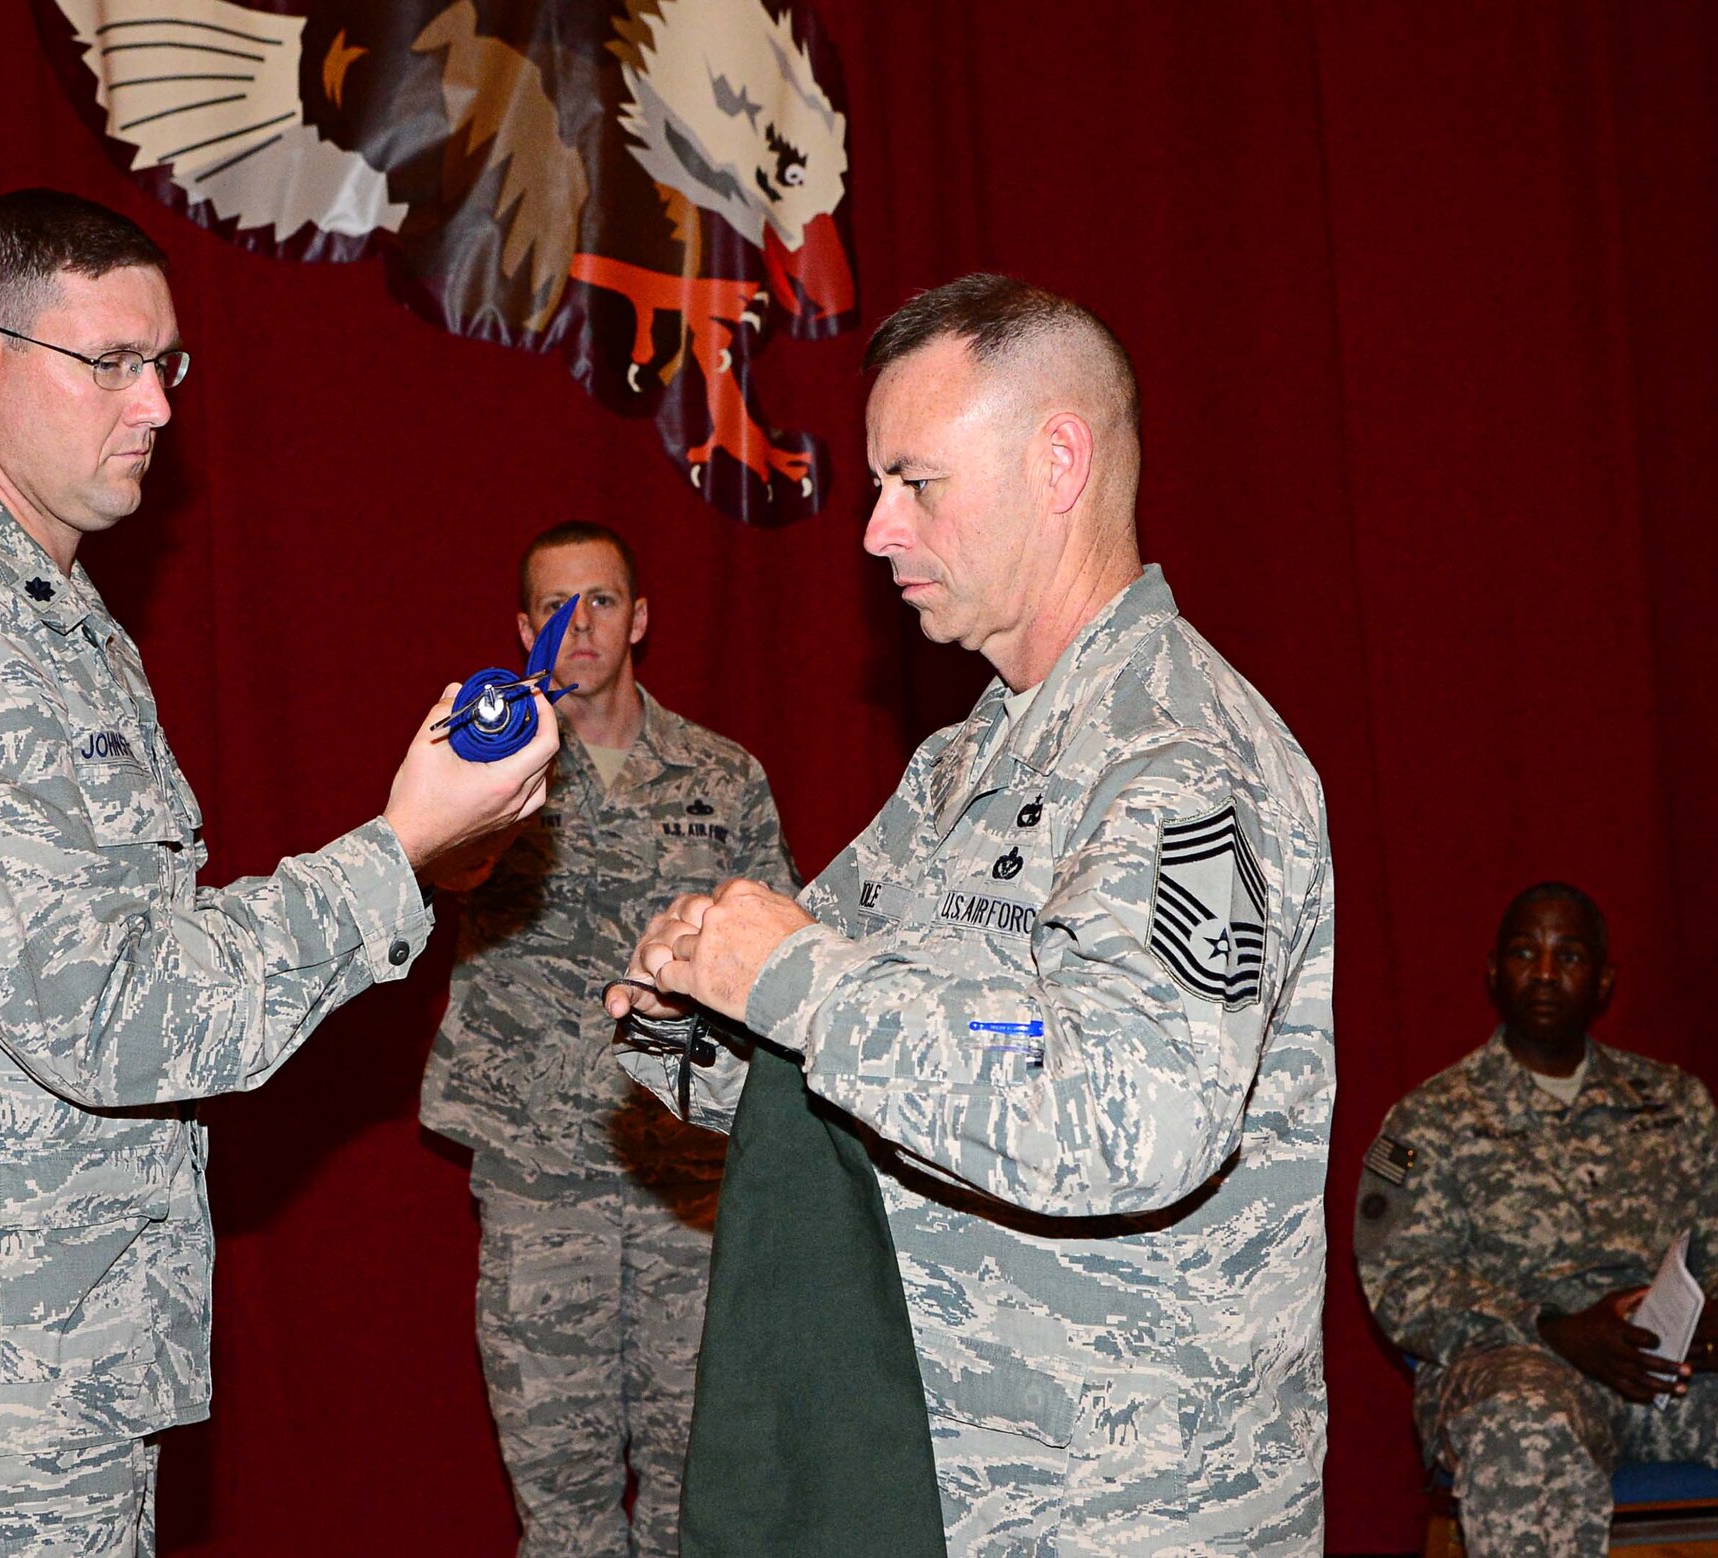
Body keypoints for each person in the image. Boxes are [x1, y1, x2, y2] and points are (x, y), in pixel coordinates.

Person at [0, 188, 558, 1556]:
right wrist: (391, 853)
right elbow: (107, 1014)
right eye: (112, 361)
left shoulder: (55, 627)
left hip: (50, 1373)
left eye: (165, 362)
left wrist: (425, 855)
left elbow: (134, 948)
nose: (158, 404)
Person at [607, 274, 1336, 1554]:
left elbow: (1136, 1113)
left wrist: (789, 978)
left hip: (1125, 1511)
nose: (874, 531)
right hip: (941, 1485)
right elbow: (850, 1050)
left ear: (1058, 462)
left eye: (915, 483)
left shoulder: (1181, 761)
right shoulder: (963, 765)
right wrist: (695, 1013)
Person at [421, 521, 797, 1557]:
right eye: (554, 605)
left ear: (639, 618)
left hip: (687, 1180)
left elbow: (781, 958)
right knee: (561, 1502)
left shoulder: (722, 774)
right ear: (523, 628)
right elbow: (441, 870)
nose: (577, 624)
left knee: (697, 1488)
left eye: (600, 600)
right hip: (540, 1173)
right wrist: (497, 764)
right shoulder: (488, 764)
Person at [1355, 883, 1718, 1558]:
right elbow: (1403, 1285)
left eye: (1569, 955)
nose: (1546, 973)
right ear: (1494, 972)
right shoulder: (1430, 1120)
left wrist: (1706, 1328)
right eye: (1526, 953)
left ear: (1604, 981)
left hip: (1669, 1377)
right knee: (1523, 1431)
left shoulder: (1676, 1105)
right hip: (1521, 1368)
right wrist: (1552, 1327)